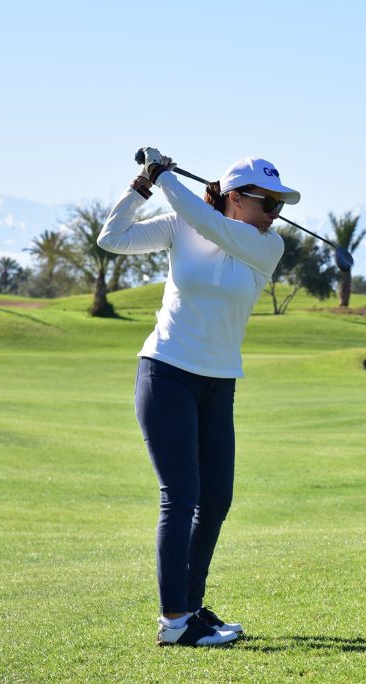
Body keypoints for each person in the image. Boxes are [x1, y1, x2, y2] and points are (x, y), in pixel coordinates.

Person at [98, 147, 297, 647]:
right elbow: (112, 239)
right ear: (235, 197)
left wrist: (166, 176)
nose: (275, 214)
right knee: (181, 496)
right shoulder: (180, 224)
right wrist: (144, 184)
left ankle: (190, 608)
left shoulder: (266, 246)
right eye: (268, 202)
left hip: (218, 381)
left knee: (216, 499)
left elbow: (211, 225)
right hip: (166, 372)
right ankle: (174, 622)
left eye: (280, 205)